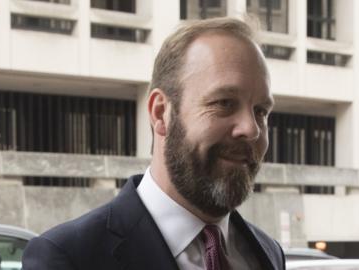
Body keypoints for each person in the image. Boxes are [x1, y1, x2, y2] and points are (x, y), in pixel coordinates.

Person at [22, 17, 285, 270]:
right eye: (224, 103)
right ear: (161, 113)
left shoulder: (268, 253)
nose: (251, 129)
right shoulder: (68, 257)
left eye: (261, 111)